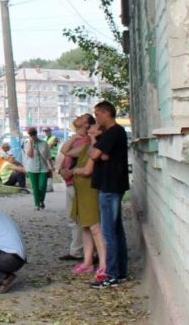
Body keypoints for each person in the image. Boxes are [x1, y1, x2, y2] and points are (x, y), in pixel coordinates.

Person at [87, 101, 130, 288]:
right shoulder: (111, 134)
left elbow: (95, 155)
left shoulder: (114, 132)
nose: (96, 118)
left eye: (97, 114)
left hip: (110, 187)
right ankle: (120, 272)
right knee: (116, 230)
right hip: (111, 186)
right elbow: (101, 155)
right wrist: (98, 146)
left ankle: (111, 274)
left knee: (108, 232)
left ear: (106, 113)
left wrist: (93, 139)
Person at [68, 118, 108, 281]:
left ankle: (104, 265)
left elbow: (87, 170)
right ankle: (88, 261)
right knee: (85, 227)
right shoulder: (87, 146)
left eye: (94, 125)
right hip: (81, 192)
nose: (91, 126)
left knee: (95, 228)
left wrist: (75, 170)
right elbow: (67, 151)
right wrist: (74, 137)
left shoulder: (98, 146)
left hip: (91, 191)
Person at [55, 117, 87, 261]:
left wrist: (70, 171)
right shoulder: (76, 138)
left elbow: (68, 153)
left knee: (77, 219)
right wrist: (61, 170)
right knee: (72, 219)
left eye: (82, 118)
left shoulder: (87, 140)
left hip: (78, 183)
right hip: (70, 182)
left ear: (87, 124)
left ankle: (79, 251)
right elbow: (63, 152)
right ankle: (76, 249)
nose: (77, 119)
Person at [24, 127, 52, 210]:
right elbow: (30, 155)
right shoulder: (27, 144)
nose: (32, 136)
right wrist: (32, 145)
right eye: (30, 135)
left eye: (33, 134)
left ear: (36, 134)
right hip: (32, 168)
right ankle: (37, 204)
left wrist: (52, 166)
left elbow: (48, 156)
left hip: (43, 168)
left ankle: (41, 200)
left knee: (42, 186)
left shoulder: (44, 143)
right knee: (35, 187)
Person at [44, 127, 58, 193]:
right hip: (46, 157)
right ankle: (49, 186)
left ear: (50, 131)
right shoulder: (45, 139)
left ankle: (50, 187)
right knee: (47, 171)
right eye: (45, 131)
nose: (46, 132)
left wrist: (45, 146)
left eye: (47, 131)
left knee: (49, 171)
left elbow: (50, 146)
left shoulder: (54, 138)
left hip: (52, 157)